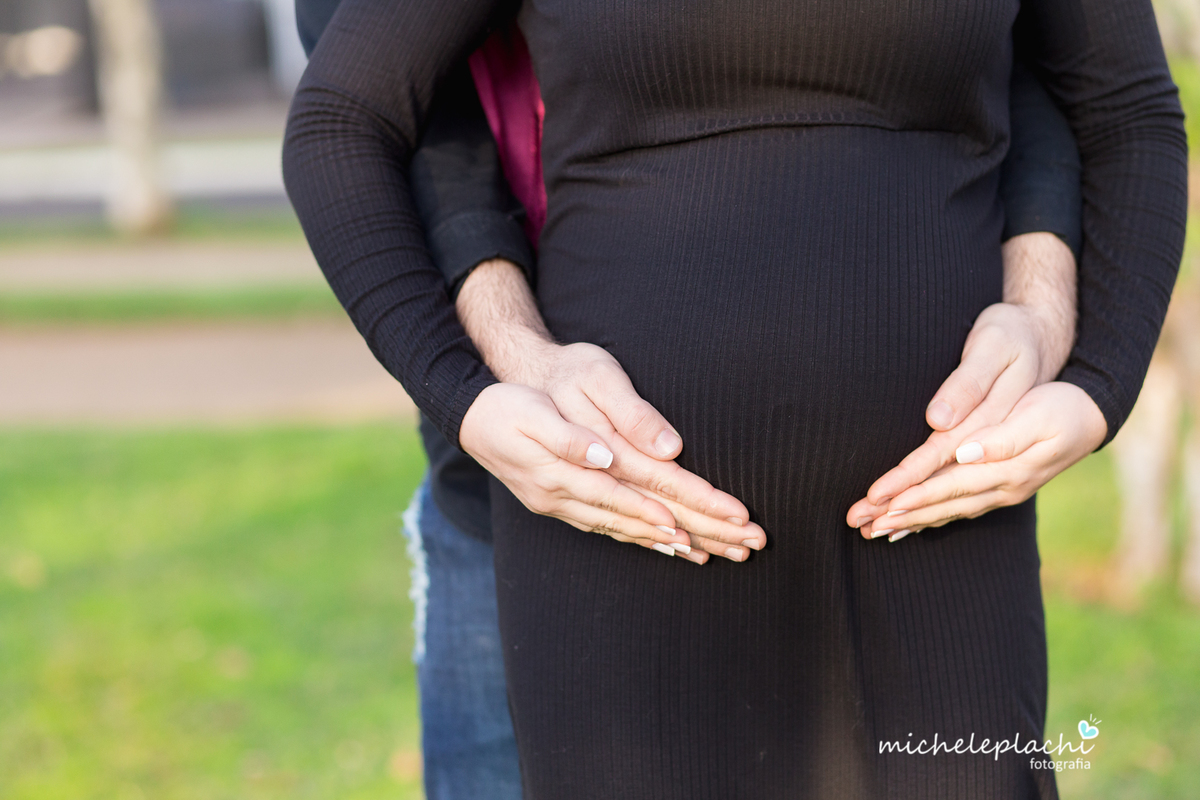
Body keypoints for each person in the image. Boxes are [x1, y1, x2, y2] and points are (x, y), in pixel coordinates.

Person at [283, 1, 1186, 797]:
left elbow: (1125, 110)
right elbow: (343, 117)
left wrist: (1095, 381)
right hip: (625, 548)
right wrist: (468, 397)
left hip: (943, 532)